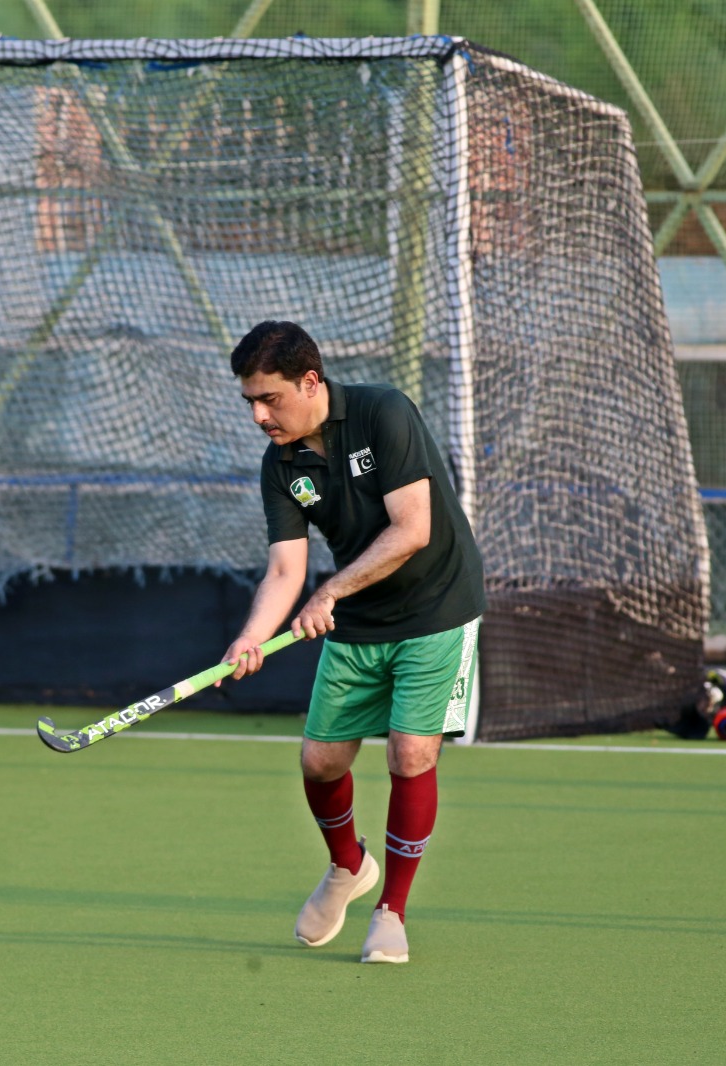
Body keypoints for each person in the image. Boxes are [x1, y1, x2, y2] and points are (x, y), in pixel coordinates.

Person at [221, 320, 486, 964]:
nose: (258, 417)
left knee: (410, 754)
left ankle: (391, 909)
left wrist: (330, 593)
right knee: (320, 763)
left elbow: (412, 529)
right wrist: (251, 638)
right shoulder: (281, 464)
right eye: (249, 401)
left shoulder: (382, 413)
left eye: (269, 399)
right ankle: (348, 865)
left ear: (310, 382)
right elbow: (285, 570)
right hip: (360, 618)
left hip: (437, 607)